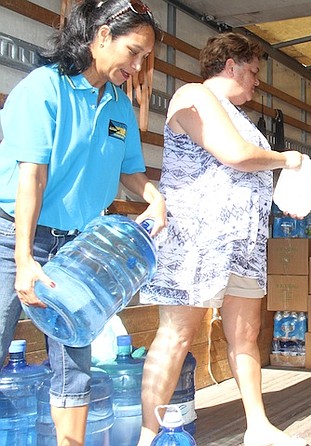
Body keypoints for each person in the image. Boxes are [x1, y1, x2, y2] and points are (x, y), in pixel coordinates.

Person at [0, 0, 166, 444]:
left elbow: (130, 171)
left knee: (75, 365)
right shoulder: (44, 89)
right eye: (132, 52)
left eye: (143, 58)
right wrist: (23, 262)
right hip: (16, 237)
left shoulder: (118, 106)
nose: (136, 65)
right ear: (100, 36)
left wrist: (155, 197)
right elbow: (31, 178)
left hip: (77, 249)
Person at [138, 32, 307, 446]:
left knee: (246, 337)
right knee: (177, 335)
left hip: (243, 246)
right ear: (230, 65)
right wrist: (287, 159)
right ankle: (147, 435)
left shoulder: (239, 114)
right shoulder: (193, 95)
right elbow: (233, 153)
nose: (256, 82)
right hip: (196, 239)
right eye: (252, 72)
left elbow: (247, 167)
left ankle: (259, 428)